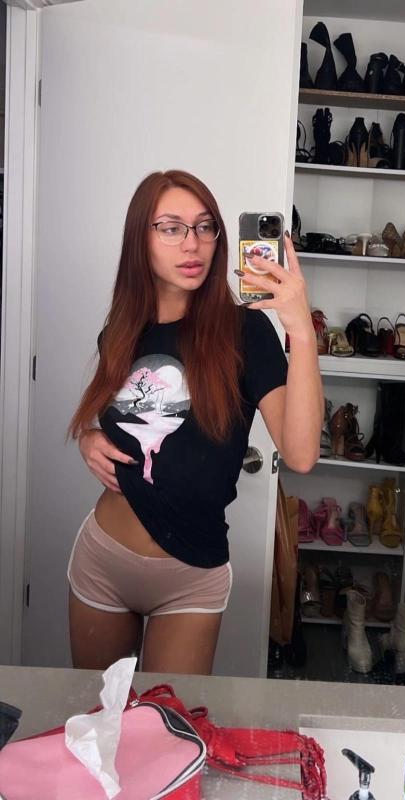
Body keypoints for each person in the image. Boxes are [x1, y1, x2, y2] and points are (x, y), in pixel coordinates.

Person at [67, 170, 323, 674]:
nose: (193, 243)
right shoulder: (120, 330)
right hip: (103, 559)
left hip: (191, 575)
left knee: (170, 720)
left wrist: (300, 327)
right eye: (171, 228)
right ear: (140, 240)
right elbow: (115, 416)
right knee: (100, 716)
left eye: (205, 227)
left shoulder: (246, 332)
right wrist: (87, 438)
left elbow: (300, 454)